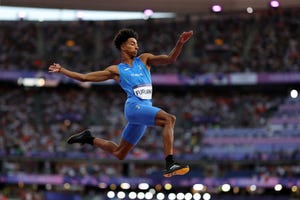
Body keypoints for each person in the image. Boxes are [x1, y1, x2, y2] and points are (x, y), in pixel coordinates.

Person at [49, 28, 193, 177]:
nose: (136, 47)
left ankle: (89, 138)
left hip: (144, 111)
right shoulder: (116, 70)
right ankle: (170, 162)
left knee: (119, 153)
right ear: (123, 46)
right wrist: (62, 70)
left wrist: (180, 43)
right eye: (132, 43)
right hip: (134, 108)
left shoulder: (144, 59)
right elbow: (85, 78)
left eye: (137, 44)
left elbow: (170, 59)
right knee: (169, 119)